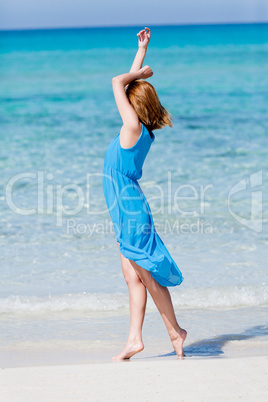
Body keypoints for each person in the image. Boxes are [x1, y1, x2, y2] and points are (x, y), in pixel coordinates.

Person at [102, 27, 187, 361]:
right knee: (131, 275)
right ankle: (134, 339)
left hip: (130, 210)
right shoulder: (141, 130)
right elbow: (125, 87)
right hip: (126, 208)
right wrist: (142, 50)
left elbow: (115, 82)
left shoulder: (132, 128)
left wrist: (135, 72)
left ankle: (174, 331)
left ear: (133, 107)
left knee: (148, 277)